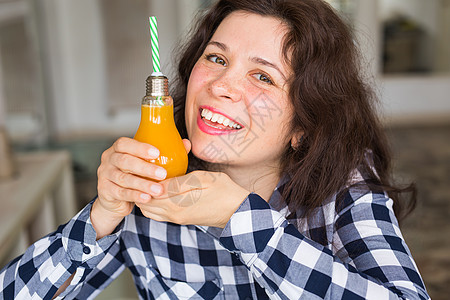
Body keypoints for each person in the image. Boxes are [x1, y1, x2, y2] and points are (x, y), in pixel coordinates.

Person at [0, 0, 430, 299]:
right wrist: (100, 217)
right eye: (217, 59)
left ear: (305, 126)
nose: (221, 86)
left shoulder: (344, 186)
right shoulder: (151, 180)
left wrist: (242, 221)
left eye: (263, 77)